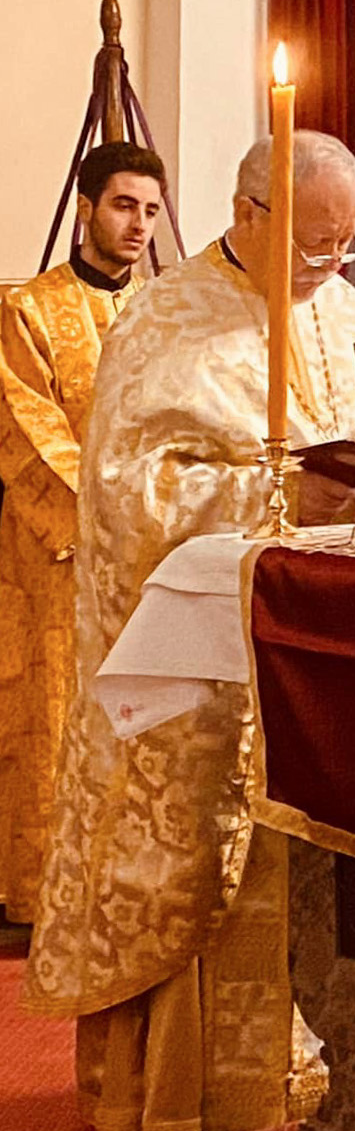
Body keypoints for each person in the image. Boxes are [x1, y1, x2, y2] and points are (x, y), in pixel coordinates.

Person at [26, 130, 355, 1131]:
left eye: (346, 245)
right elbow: (128, 496)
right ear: (248, 213)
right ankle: (181, 1099)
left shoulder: (346, 310)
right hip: (201, 664)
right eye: (312, 243)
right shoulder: (164, 319)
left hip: (311, 654)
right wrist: (276, 492)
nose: (330, 266)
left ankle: (304, 1077)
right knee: (201, 863)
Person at [0, 142, 164, 926]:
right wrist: (106, 518)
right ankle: (43, 896)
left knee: (142, 722)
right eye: (125, 205)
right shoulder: (29, 309)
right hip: (59, 553)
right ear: (87, 208)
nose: (139, 225)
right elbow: (27, 431)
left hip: (151, 552)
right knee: (53, 713)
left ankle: (128, 894)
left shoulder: (165, 313)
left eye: (151, 211)